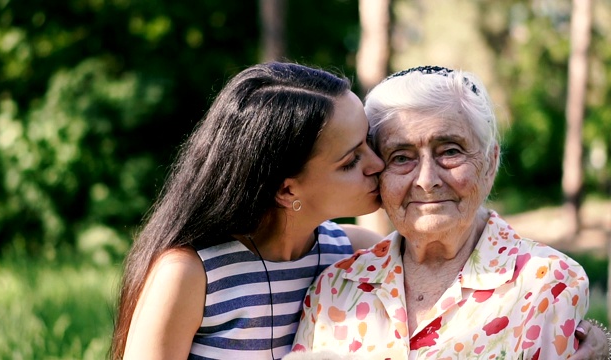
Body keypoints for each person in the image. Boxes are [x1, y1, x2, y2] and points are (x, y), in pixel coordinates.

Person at [291, 66, 596, 359]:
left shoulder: (548, 283)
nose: (426, 180)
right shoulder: (335, 286)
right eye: (401, 157)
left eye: (450, 151)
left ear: (490, 163)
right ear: (377, 172)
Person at [109, 62, 386, 360]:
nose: (378, 164)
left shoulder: (356, 256)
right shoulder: (190, 275)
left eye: (369, 141)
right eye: (350, 161)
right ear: (286, 190)